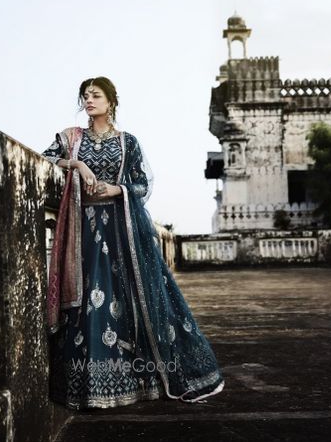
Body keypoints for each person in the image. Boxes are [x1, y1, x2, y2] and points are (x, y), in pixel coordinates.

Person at [41, 76, 225, 410]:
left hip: (121, 232)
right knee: (88, 303)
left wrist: (117, 190)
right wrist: (78, 164)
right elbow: (46, 159)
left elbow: (141, 185)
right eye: (85, 96)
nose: (89, 100)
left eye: (96, 95)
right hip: (83, 231)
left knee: (126, 299)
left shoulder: (129, 142)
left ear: (111, 101)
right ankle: (88, 386)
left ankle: (137, 381)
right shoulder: (71, 138)